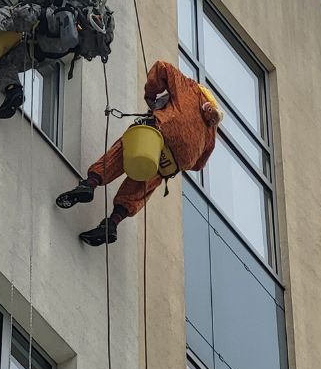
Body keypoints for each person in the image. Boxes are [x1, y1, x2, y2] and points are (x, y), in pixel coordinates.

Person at [56, 60, 223, 245]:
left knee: (122, 153)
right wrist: (181, 156)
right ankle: (112, 223)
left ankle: (89, 184)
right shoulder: (211, 131)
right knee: (140, 187)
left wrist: (151, 95)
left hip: (159, 132)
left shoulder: (190, 88)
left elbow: (163, 68)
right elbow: (200, 164)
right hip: (170, 165)